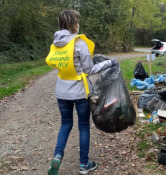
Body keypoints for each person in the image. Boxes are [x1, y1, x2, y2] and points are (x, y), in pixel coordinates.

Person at [45, 10, 118, 175]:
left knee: (65, 124)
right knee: (84, 127)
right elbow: (90, 69)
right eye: (77, 21)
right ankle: (84, 165)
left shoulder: (56, 44)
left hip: (61, 92)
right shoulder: (79, 43)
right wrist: (109, 63)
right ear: (73, 25)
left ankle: (57, 156)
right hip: (79, 92)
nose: (78, 24)